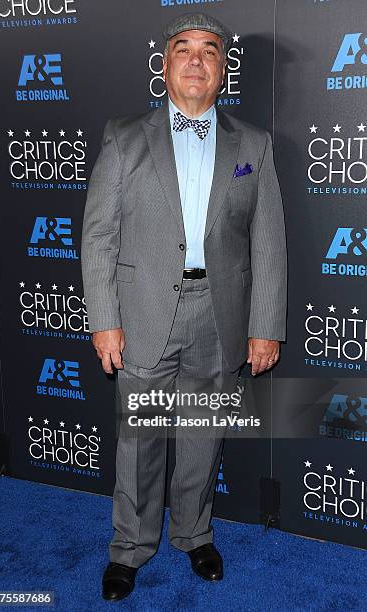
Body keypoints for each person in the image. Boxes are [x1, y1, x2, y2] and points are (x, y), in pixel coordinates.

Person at [81, 11, 287, 602]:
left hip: (219, 313)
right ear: (165, 65)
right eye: (183, 49)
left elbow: (268, 241)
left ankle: (195, 534)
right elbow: (98, 236)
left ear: (223, 68)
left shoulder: (253, 144)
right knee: (140, 440)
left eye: (209, 51)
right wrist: (104, 319)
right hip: (142, 310)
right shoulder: (123, 136)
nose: (197, 59)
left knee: (202, 435)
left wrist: (265, 324)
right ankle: (130, 548)